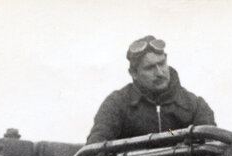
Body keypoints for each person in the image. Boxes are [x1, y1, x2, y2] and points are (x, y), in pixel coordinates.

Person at [86, 35, 215, 143]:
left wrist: (174, 135)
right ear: (133, 73)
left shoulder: (195, 106)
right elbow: (96, 144)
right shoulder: (116, 104)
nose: (159, 72)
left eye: (161, 63)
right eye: (150, 68)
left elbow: (213, 148)